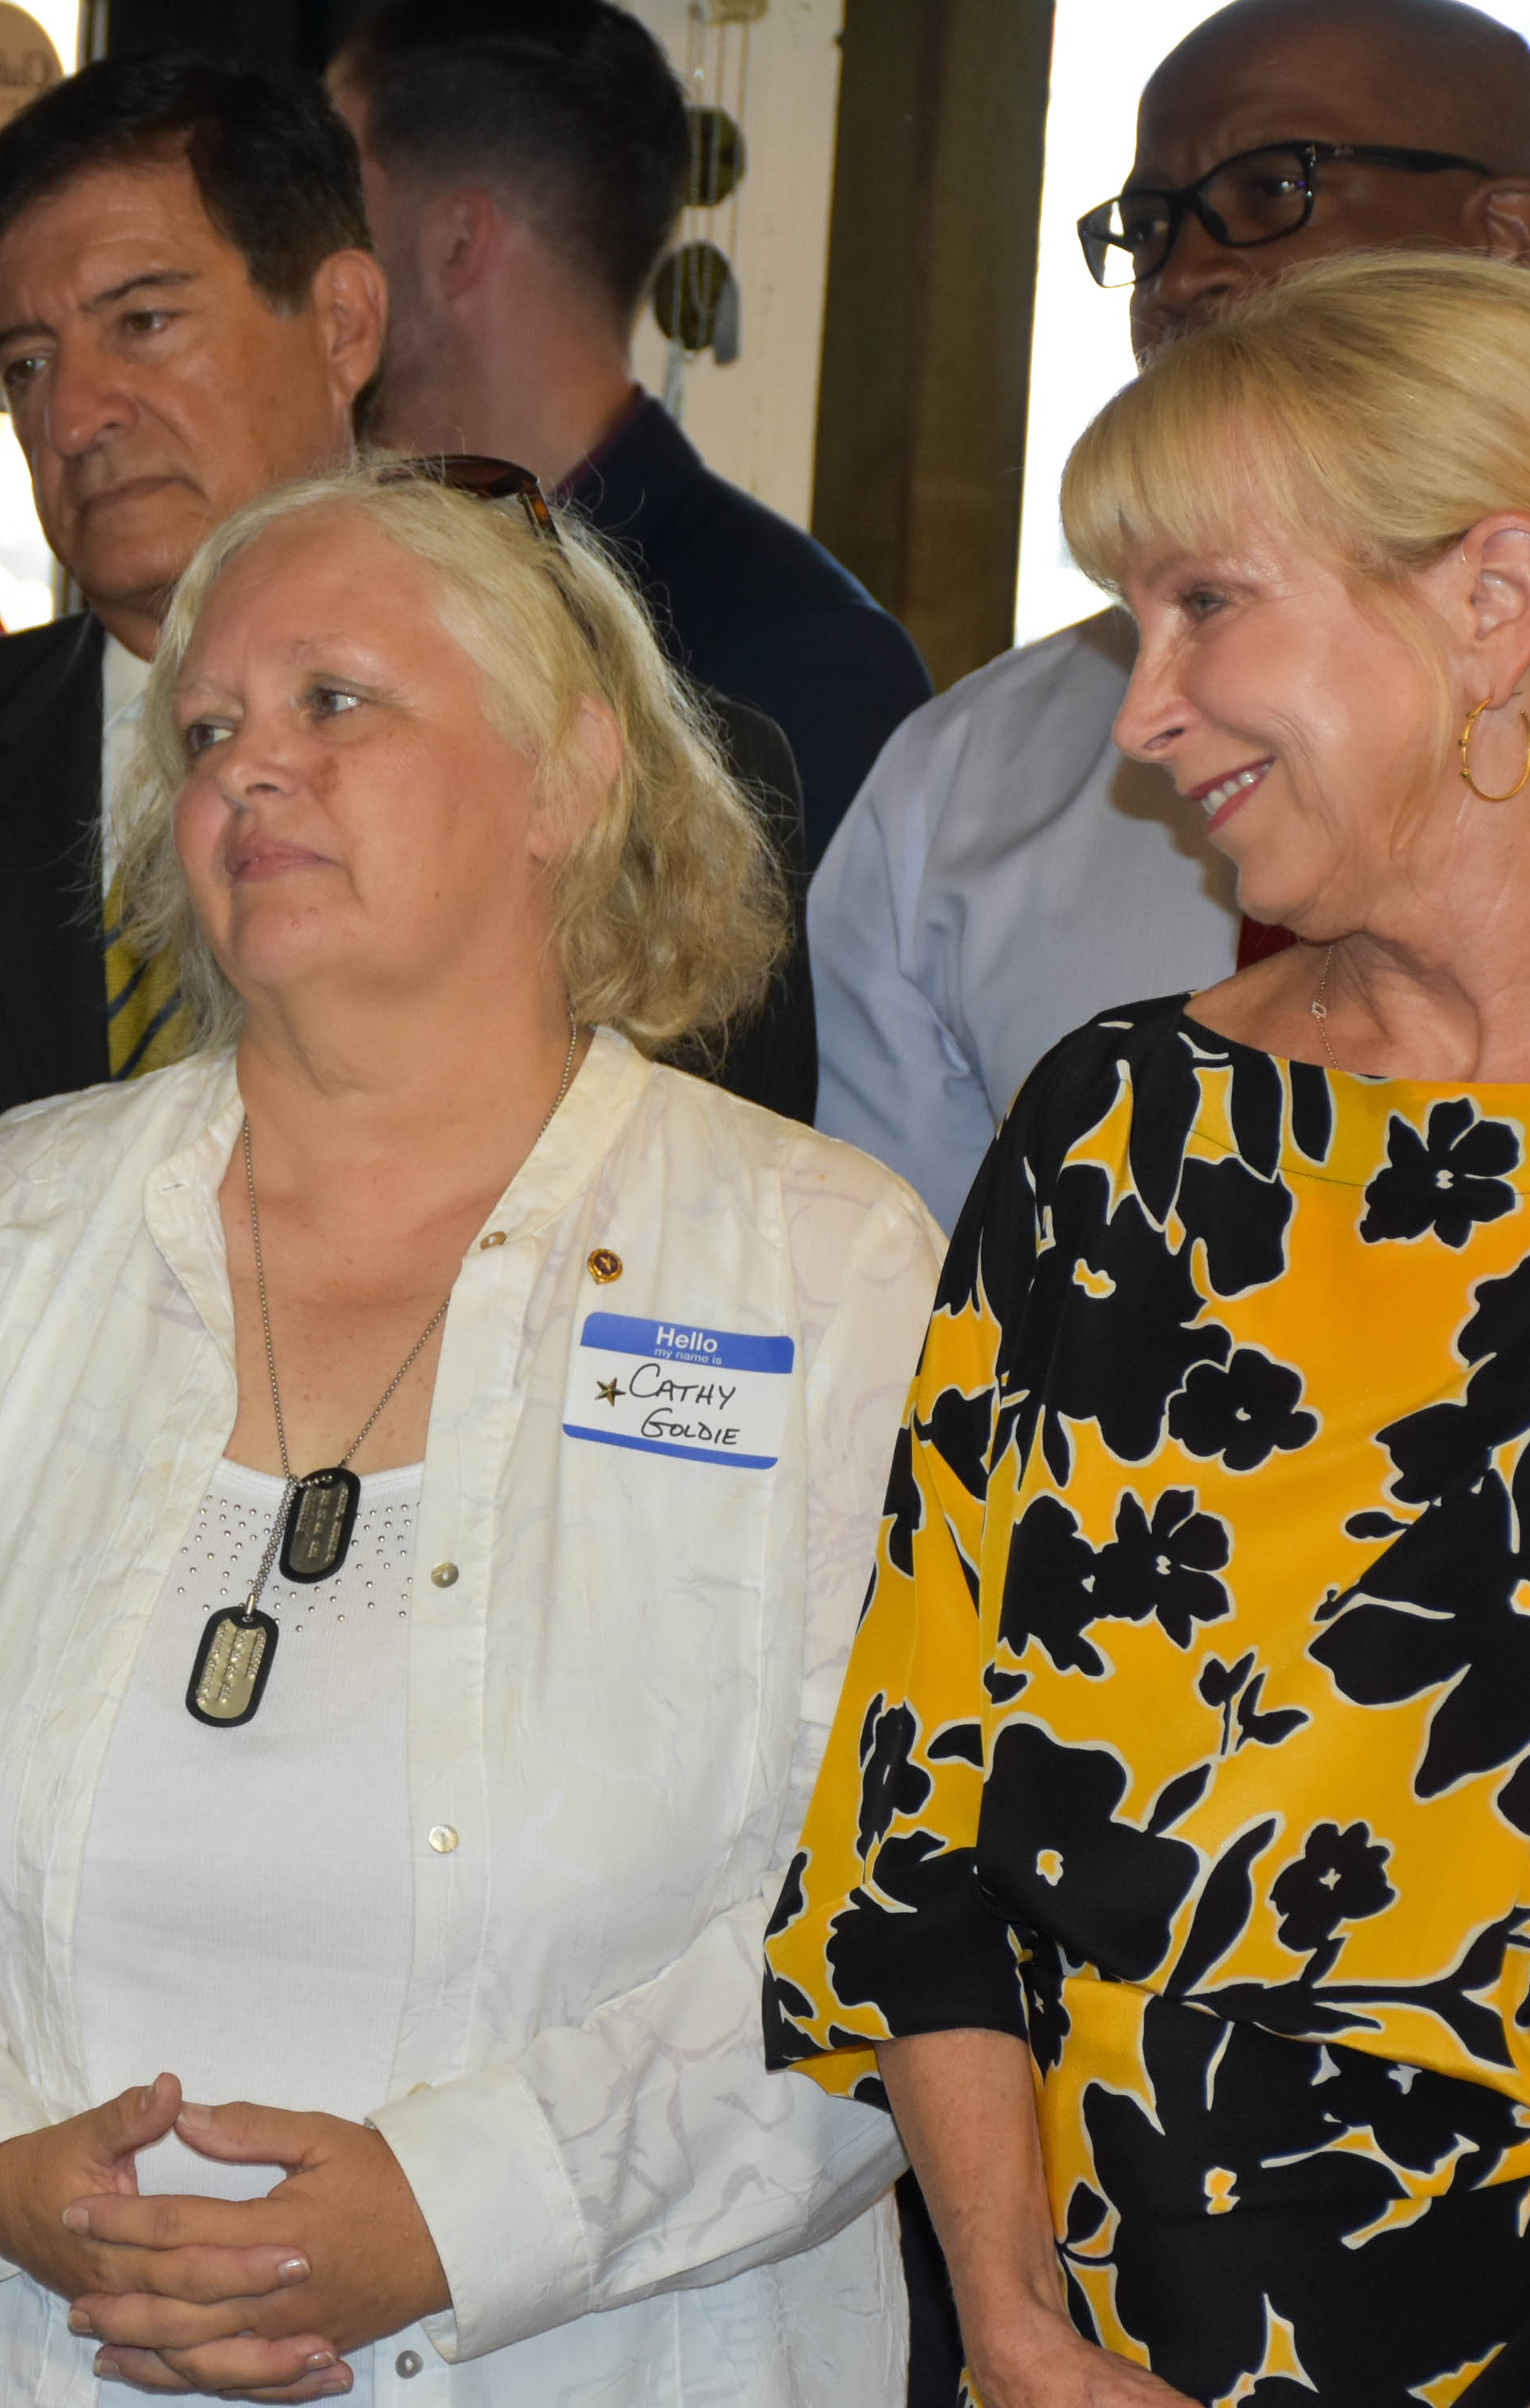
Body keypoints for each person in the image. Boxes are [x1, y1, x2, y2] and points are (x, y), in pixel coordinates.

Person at [0, 459, 941, 2404]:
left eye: (336, 699)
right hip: (6, 2341)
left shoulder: (818, 1265)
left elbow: (905, 1897)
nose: (248, 769)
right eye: (205, 732)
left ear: (570, 775)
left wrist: (460, 2213)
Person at [771, 249, 1530, 2406]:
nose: (1136, 711)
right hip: (1124, 2349)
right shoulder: (1117, 1128)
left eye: (1204, 605)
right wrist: (1008, 2321)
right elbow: (914, 1803)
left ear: (1489, 601)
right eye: (1131, 622)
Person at [812, 0, 1530, 1228]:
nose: (1185, 271)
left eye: (1272, 188)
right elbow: (885, 1294)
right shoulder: (963, 779)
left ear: (1502, 235)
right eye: (1146, 227)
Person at [328, 0, 928, 867]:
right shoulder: (324, 576)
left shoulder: (798, 660)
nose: (309, 263)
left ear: (457, 243)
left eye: (339, 209)